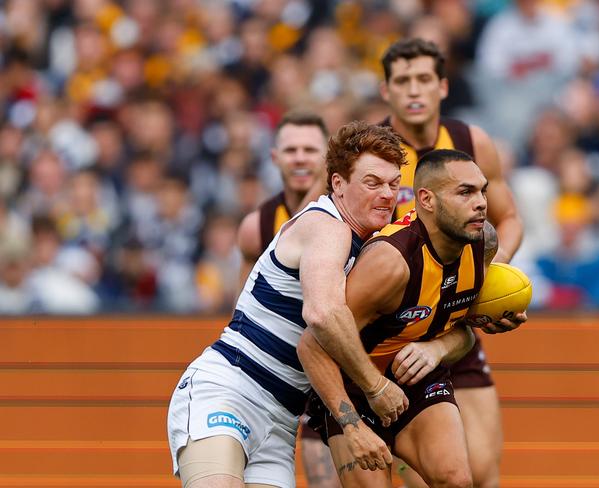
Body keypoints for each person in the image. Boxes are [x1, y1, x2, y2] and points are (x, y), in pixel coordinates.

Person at [167, 121, 409, 488]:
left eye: (393, 184)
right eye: (373, 183)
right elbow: (322, 314)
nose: (387, 195)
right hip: (229, 389)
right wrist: (374, 389)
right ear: (339, 184)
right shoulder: (328, 226)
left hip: (281, 419)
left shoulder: (370, 245)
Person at [298, 149, 525, 487]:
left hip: (417, 379)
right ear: (426, 200)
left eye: (482, 190)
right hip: (355, 386)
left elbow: (462, 333)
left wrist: (437, 349)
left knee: (457, 480)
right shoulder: (389, 264)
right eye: (465, 192)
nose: (480, 203)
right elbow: (311, 346)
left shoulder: (483, 245)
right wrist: (354, 421)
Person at [378, 39, 524, 488]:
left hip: (455, 322)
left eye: (423, 79)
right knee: (430, 475)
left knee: (481, 473)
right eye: (402, 81)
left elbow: (510, 219)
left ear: (443, 86)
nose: (414, 90)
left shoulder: (470, 141)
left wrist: (486, 277)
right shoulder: (373, 151)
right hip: (398, 330)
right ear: (386, 92)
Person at [236, 110, 341, 487]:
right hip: (282, 370)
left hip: (342, 361)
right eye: (291, 149)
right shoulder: (257, 226)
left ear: (328, 157)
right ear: (274, 157)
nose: (300, 158)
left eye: (310, 149)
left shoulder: (350, 213)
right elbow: (243, 311)